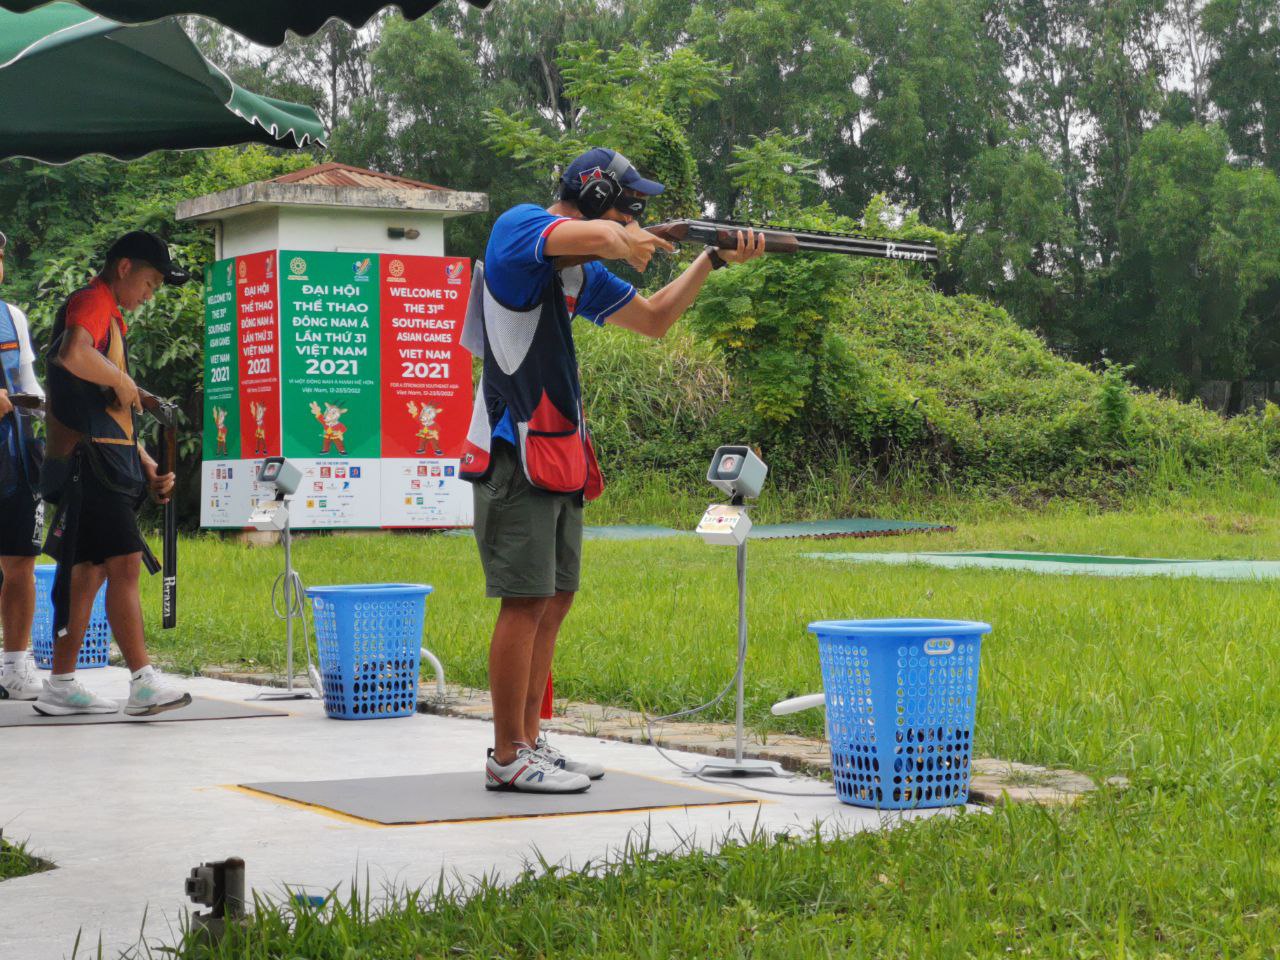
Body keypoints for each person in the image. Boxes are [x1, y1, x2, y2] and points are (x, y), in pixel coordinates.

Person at [460, 147, 765, 792]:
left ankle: (530, 741)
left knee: (554, 598)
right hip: (515, 451)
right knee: (524, 600)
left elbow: (653, 320)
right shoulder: (519, 227)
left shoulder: (577, 272)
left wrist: (710, 259)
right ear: (598, 197)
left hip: (556, 453)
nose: (636, 216)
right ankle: (506, 755)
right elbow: (600, 237)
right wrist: (626, 237)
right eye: (630, 204)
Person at [33, 230, 191, 717]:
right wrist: (125, 381)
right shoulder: (93, 301)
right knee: (124, 563)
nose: (149, 295)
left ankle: (60, 684)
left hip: (101, 462)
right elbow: (71, 353)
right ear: (124, 268)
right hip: (90, 466)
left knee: (89, 572)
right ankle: (142, 683)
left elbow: (104, 410)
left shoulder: (110, 317)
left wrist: (144, 461)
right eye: (149, 283)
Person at [0, 229, 46, 701]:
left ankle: (14, 666)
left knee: (21, 562)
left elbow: (28, 384)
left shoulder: (12, 317)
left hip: (17, 459)